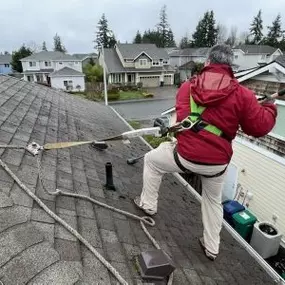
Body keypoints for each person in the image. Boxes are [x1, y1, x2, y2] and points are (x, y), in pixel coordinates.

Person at [134, 44, 277, 261]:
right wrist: (269, 107)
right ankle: (211, 247)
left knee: (152, 161)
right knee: (212, 201)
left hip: (185, 157)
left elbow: (185, 116)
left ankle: (148, 205)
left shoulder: (187, 87)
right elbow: (258, 127)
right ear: (230, 65)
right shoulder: (242, 95)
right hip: (216, 165)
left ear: (208, 62)